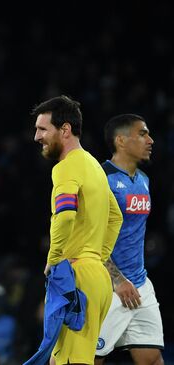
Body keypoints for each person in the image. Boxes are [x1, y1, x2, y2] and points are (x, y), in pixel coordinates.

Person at [31, 95, 123, 365]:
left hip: (77, 277)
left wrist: (54, 259)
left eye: (42, 129)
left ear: (65, 129)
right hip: (97, 278)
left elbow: (65, 214)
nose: (36, 136)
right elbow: (115, 217)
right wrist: (99, 257)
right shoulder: (94, 165)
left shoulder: (66, 167)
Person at [95, 114, 164, 365]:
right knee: (87, 359)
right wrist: (117, 280)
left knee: (152, 358)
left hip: (139, 285)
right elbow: (90, 240)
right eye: (143, 134)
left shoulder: (144, 181)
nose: (151, 140)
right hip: (106, 287)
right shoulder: (101, 179)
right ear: (121, 140)